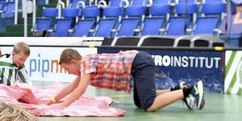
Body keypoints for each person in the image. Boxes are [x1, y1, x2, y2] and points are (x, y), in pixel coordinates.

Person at [54, 49, 204, 112]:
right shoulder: (85, 65)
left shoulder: (85, 63)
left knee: (149, 105)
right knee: (140, 102)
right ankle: (176, 89)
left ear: (74, 62)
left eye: (67, 69)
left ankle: (189, 91)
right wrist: (51, 101)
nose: (69, 73)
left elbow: (80, 90)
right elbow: (71, 88)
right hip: (138, 64)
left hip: (139, 64)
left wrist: (62, 107)